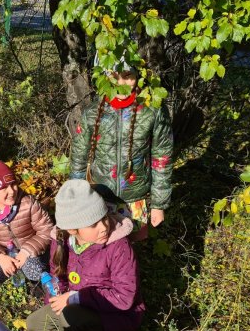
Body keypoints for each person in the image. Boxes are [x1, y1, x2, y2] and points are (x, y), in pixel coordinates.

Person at [26, 180, 144, 331]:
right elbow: (57, 275)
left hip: (113, 312)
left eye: (104, 217)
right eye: (94, 224)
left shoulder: (119, 246)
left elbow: (124, 297)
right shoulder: (61, 240)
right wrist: (56, 297)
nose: (104, 227)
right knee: (34, 325)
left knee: (71, 318)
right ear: (72, 230)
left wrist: (75, 298)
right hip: (76, 303)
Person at [69, 60, 173, 240]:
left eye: (127, 76)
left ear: (138, 76)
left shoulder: (152, 111)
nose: (121, 84)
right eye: (114, 76)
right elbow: (78, 156)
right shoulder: (93, 112)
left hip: (135, 199)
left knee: (133, 252)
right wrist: (76, 197)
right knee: (105, 250)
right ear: (104, 78)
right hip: (100, 199)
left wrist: (159, 204)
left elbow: (161, 158)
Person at [0, 159, 53, 289]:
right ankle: (12, 269)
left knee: (35, 270)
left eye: (13, 184)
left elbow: (46, 230)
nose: (12, 191)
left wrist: (26, 251)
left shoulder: (28, 203)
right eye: (3, 188)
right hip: (5, 252)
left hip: (30, 249)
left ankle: (34, 279)